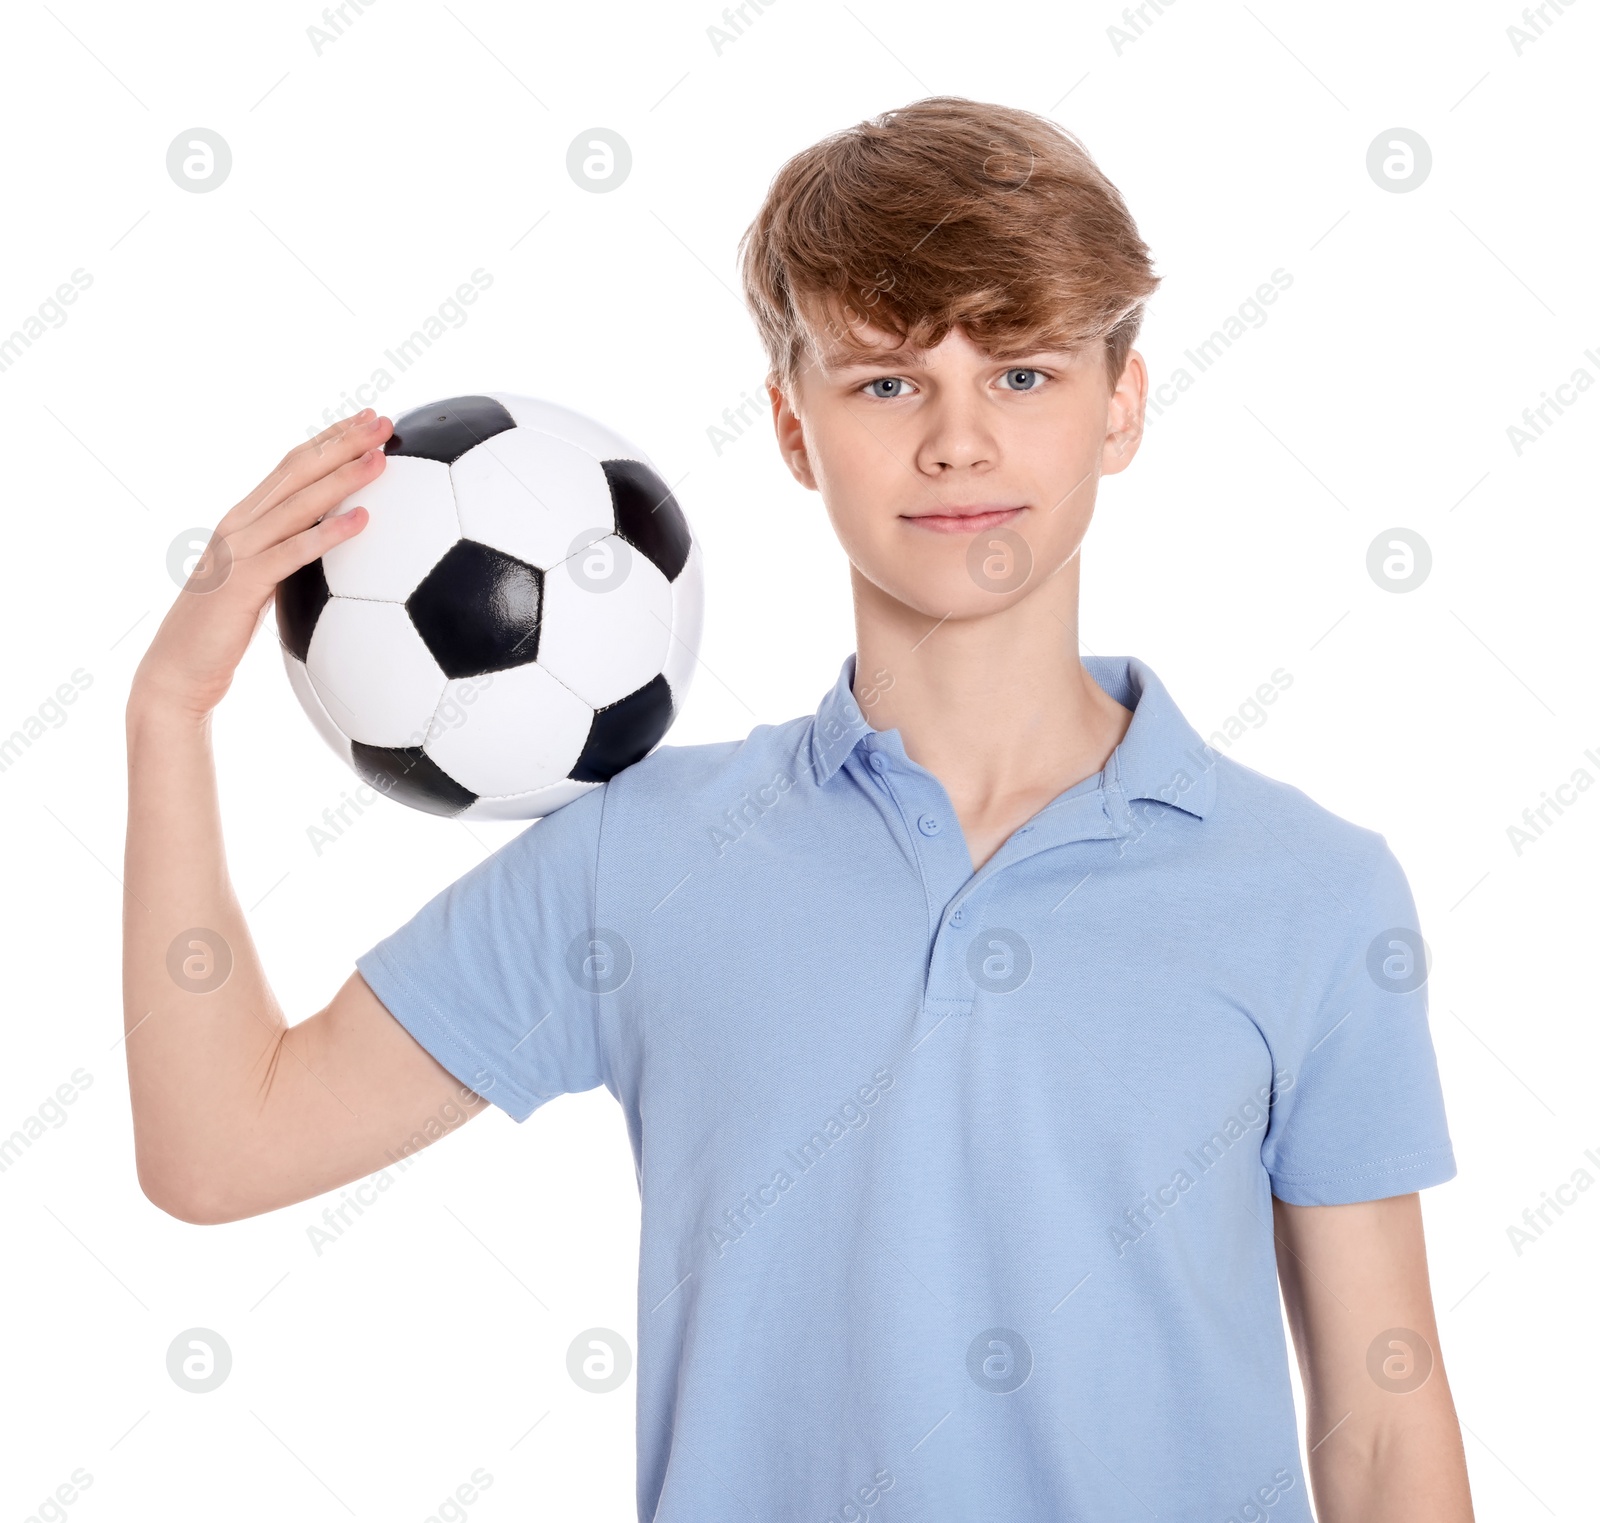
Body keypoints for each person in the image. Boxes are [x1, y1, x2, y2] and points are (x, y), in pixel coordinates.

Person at [123, 96, 1473, 1521]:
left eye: (1022, 375)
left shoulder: (1310, 892)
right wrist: (168, 719)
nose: (959, 443)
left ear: (1121, 403)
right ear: (790, 424)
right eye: (888, 383)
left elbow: (1384, 1425)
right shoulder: (640, 856)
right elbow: (219, 1150)